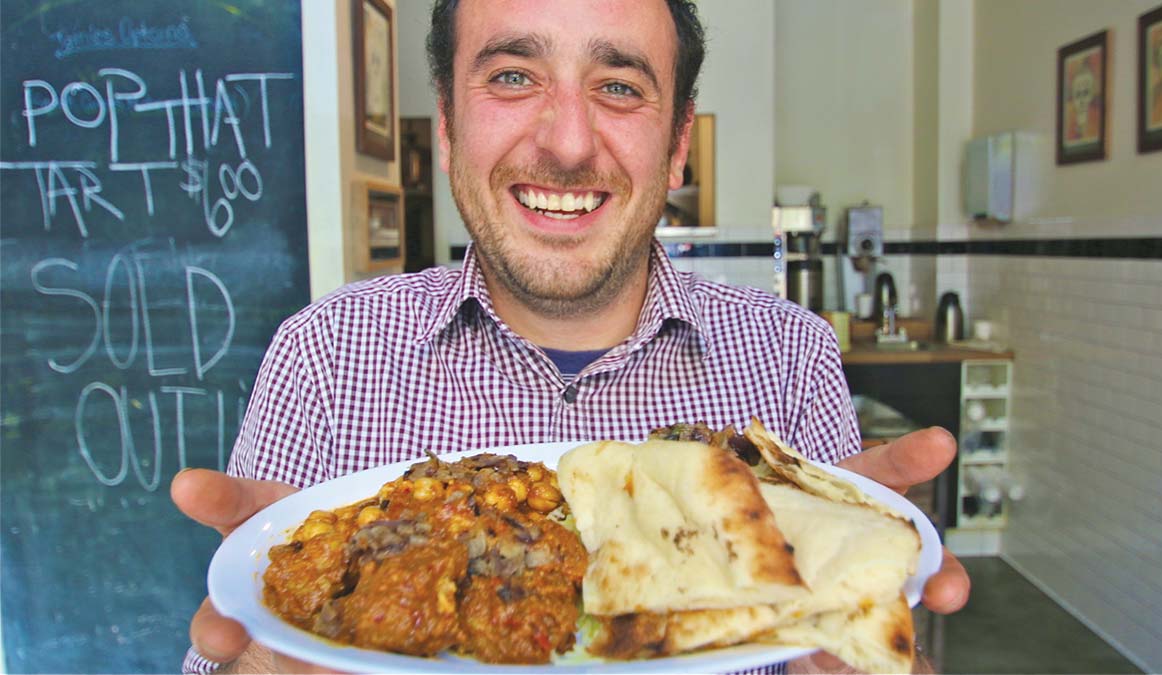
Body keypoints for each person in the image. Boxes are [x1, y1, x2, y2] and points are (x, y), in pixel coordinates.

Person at [172, 0, 970, 672]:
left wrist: (854, 632)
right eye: (513, 76)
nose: (567, 143)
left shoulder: (792, 357)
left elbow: (834, 637)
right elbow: (229, 646)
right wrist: (262, 649)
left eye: (619, 86)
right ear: (448, 126)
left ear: (679, 143)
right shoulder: (323, 353)